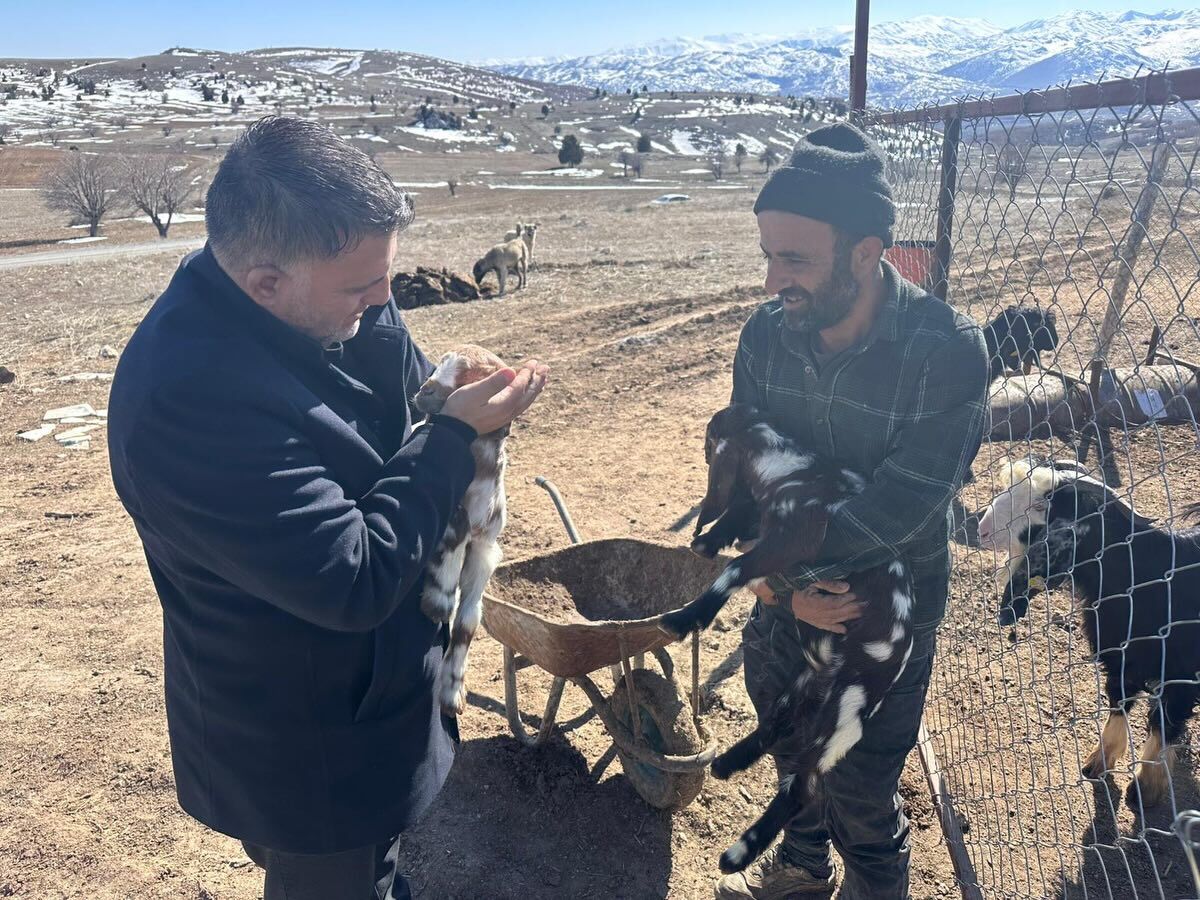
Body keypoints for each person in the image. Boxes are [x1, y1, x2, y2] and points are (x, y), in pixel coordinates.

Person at [107, 116, 548, 900]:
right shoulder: (185, 399)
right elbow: (353, 579)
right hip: (306, 744)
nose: (386, 299)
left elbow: (391, 367)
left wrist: (447, 390)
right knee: (330, 877)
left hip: (364, 701)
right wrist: (451, 438)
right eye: (361, 287)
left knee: (365, 870)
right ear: (266, 282)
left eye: (387, 276)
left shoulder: (305, 294)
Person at [713, 123, 988, 900]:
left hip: (885, 623)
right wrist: (777, 589)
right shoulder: (765, 337)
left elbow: (904, 504)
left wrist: (785, 569)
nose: (772, 281)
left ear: (867, 253)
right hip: (784, 606)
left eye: (793, 259)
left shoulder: (948, 351)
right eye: (767, 256)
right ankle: (802, 867)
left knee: (864, 796)